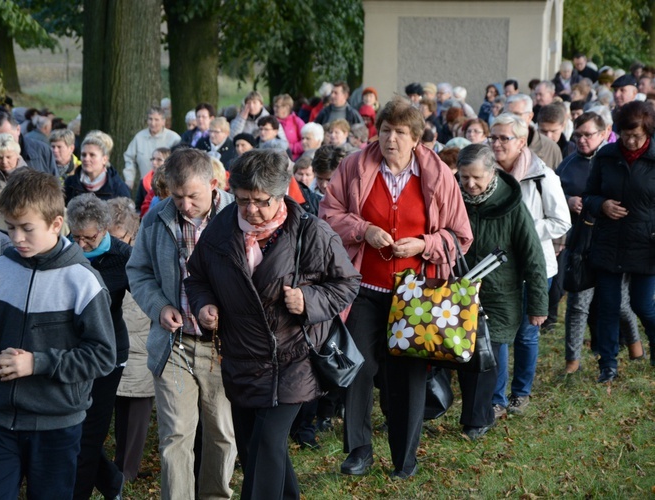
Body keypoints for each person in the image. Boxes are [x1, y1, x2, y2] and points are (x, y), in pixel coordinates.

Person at [184, 149, 360, 499]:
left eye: (261, 201)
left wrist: (308, 301)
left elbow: (347, 283)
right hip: (241, 359)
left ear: (281, 196)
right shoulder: (221, 228)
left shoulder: (311, 232)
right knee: (255, 450)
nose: (250, 210)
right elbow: (197, 277)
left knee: (266, 443)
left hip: (293, 360)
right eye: (243, 200)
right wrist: (205, 305)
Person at [319, 96, 472, 478]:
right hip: (364, 288)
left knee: (407, 377)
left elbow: (460, 235)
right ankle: (358, 451)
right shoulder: (354, 166)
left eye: (400, 133)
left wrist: (424, 244)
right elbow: (328, 214)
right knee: (358, 368)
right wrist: (362, 229)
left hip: (416, 295)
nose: (390, 139)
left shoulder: (438, 176)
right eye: (385, 130)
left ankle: (405, 458)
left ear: (416, 139)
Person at [0, 169, 116, 499]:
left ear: (57, 224)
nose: (16, 238)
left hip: (57, 425)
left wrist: (37, 363)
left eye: (26, 228)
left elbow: (103, 355)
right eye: (10, 228)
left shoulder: (82, 281)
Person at [126, 148, 237, 500]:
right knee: (176, 434)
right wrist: (159, 307)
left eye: (193, 196)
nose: (185, 204)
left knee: (221, 431)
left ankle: (215, 496)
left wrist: (227, 312)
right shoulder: (157, 218)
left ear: (213, 184)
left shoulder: (237, 215)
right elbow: (138, 271)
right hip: (175, 344)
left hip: (224, 346)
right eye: (177, 196)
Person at [455, 144, 547, 439]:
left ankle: (478, 419)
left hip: (500, 296)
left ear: (491, 173)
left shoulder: (512, 205)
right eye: (464, 177)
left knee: (487, 355)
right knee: (465, 355)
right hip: (459, 293)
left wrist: (538, 305)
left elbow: (533, 256)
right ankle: (474, 411)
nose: (470, 184)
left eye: (477, 178)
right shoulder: (454, 200)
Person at [489, 114, 571, 414]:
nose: (496, 143)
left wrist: (524, 233)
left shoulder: (542, 175)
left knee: (525, 333)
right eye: (493, 137)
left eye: (504, 138)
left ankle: (520, 393)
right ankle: (495, 399)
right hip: (496, 268)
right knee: (497, 333)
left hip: (535, 267)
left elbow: (561, 221)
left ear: (521, 142)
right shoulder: (486, 174)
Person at [557, 112, 642, 374]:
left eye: (588, 134)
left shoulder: (616, 159)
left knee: (619, 302)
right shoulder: (568, 164)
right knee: (578, 304)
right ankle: (572, 361)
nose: (582, 140)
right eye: (578, 135)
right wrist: (569, 200)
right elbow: (554, 193)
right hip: (581, 242)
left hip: (615, 240)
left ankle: (635, 344)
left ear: (604, 132)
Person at [583, 100, 655, 381]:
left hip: (645, 243)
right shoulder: (606, 156)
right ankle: (608, 364)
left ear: (648, 132)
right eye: (626, 134)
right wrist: (601, 205)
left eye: (637, 135)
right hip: (609, 241)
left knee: (643, 305)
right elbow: (588, 195)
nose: (631, 140)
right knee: (608, 307)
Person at [66, 194, 131, 500]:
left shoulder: (125, 256)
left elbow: (147, 289)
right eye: (75, 237)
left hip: (109, 353)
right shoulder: (62, 250)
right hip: (69, 352)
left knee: (91, 432)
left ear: (105, 230)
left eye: (89, 238)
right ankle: (110, 480)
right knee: (70, 429)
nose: (81, 245)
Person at [106, 199, 151, 482]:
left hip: (139, 350)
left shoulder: (141, 262)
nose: (113, 244)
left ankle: (126, 472)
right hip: (113, 347)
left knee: (135, 413)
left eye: (118, 238)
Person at [0, 111, 57, 198]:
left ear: (18, 130)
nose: (3, 140)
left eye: (8, 136)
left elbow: (55, 187)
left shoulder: (42, 151)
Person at [123, 106, 181, 190]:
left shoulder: (174, 138)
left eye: (156, 119)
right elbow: (129, 158)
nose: (153, 123)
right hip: (145, 185)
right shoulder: (139, 137)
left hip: (167, 187)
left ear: (163, 121)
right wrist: (129, 178)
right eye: (150, 119)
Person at [65, 131, 131, 203]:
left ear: (104, 159)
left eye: (92, 155)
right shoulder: (70, 184)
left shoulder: (118, 188)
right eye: (83, 155)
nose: (86, 159)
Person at [274, 94, 306, 159]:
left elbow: (306, 142)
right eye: (275, 106)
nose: (275, 109)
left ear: (287, 107)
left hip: (294, 159)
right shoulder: (271, 121)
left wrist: (290, 147)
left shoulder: (297, 122)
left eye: (279, 106)